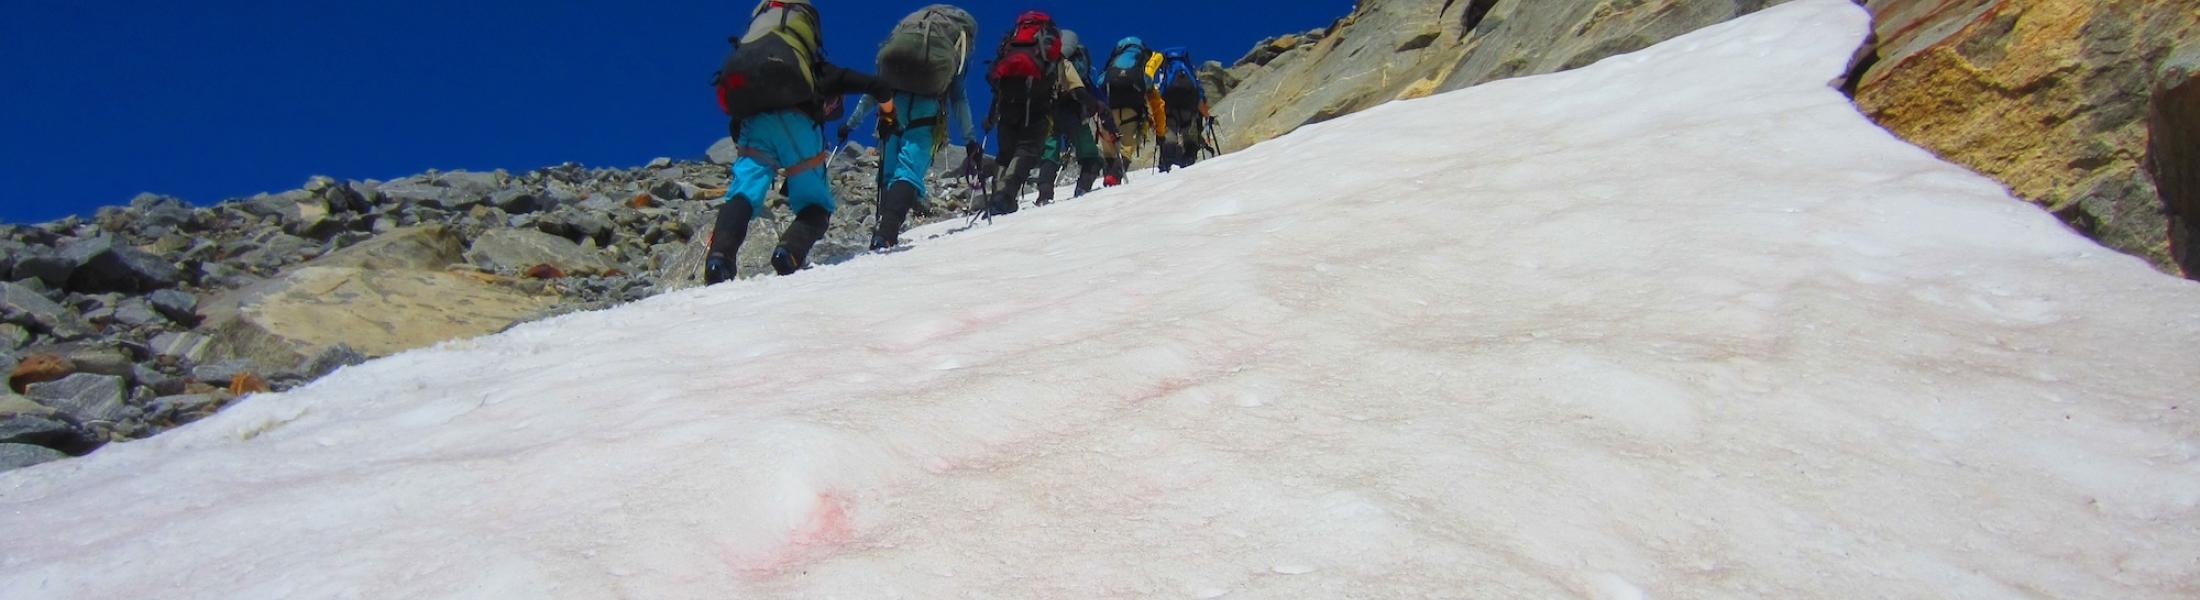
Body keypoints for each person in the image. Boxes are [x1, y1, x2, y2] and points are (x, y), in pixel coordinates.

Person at [706, 0, 891, 283]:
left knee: (743, 194)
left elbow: (735, 122)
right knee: (816, 206)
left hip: (753, 125)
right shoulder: (816, 68)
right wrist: (889, 113)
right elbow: (878, 86)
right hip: (798, 126)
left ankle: (719, 259)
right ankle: (789, 252)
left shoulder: (749, 58)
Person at [839, 4, 982, 250]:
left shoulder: (905, 34)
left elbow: (874, 90)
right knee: (908, 172)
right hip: (926, 110)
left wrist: (851, 124)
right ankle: (887, 232)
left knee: (889, 172)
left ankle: (881, 231)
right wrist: (970, 139)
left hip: (891, 108)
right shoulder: (952, 51)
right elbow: (958, 98)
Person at [981, 11, 1116, 216]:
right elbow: (1078, 90)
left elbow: (995, 81)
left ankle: (1035, 196)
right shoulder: (1059, 61)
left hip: (1009, 106)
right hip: (1055, 110)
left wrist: (991, 117)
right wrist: (1096, 107)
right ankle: (1009, 195)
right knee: (1080, 153)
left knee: (1015, 154)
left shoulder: (1011, 49)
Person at [1034, 29, 1105, 204]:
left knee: (1050, 155)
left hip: (1048, 114)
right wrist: (1094, 106)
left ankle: (1044, 195)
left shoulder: (1039, 63)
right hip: (1073, 112)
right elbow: (1079, 89)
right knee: (1090, 156)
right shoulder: (1064, 63)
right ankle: (1082, 190)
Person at [1099, 37, 1166, 184]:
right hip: (1133, 111)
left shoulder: (1112, 65)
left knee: (1109, 148)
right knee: (1126, 147)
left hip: (1110, 109)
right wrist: (1160, 133)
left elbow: (1099, 84)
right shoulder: (1140, 67)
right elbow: (1157, 105)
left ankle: (1108, 178)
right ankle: (1114, 178)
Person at [1154, 47, 1210, 173]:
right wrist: (1206, 114)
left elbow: (1160, 94)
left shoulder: (1167, 73)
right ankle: (1189, 159)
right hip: (1189, 106)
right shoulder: (1189, 73)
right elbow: (1199, 93)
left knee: (1170, 133)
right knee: (1189, 132)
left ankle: (1166, 163)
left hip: (1170, 107)